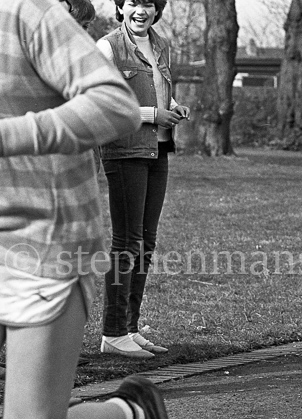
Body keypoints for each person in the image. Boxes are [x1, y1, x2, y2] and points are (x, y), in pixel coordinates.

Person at [0, 0, 179, 419]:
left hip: (40, 244)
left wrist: (7, 136)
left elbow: (115, 104)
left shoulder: (24, 14)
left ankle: (131, 415)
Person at [97, 0, 190, 358]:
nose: (141, 10)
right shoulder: (108, 47)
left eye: (148, 3)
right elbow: (102, 104)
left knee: (145, 243)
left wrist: (174, 105)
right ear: (121, 7)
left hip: (158, 151)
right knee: (126, 242)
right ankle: (112, 333)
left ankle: (130, 329)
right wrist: (153, 114)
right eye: (133, 2)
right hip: (125, 152)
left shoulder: (161, 44)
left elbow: (158, 86)